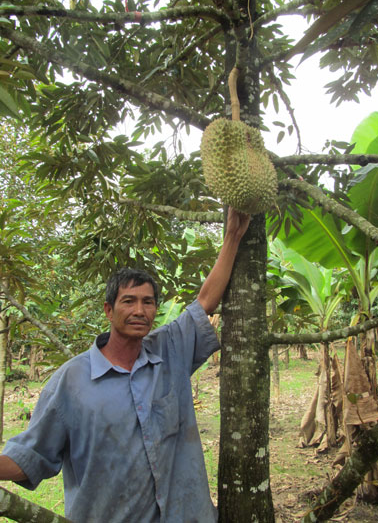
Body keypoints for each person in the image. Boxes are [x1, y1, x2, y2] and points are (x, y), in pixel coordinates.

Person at [0, 207, 250, 523]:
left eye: (148, 302)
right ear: (109, 310)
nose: (139, 310)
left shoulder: (170, 350)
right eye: (128, 301)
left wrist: (233, 235)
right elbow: (31, 456)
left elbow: (205, 303)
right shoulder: (71, 381)